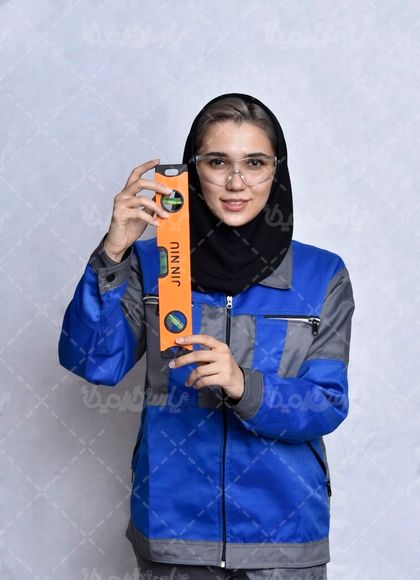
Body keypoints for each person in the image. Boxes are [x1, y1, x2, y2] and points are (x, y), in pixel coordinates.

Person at [58, 92, 355, 579]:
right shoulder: (150, 262)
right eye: (217, 162)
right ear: (193, 171)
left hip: (284, 540)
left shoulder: (322, 275)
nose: (236, 181)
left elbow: (326, 402)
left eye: (254, 162)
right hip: (174, 534)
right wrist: (113, 254)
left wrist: (244, 385)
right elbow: (94, 362)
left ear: (276, 171)